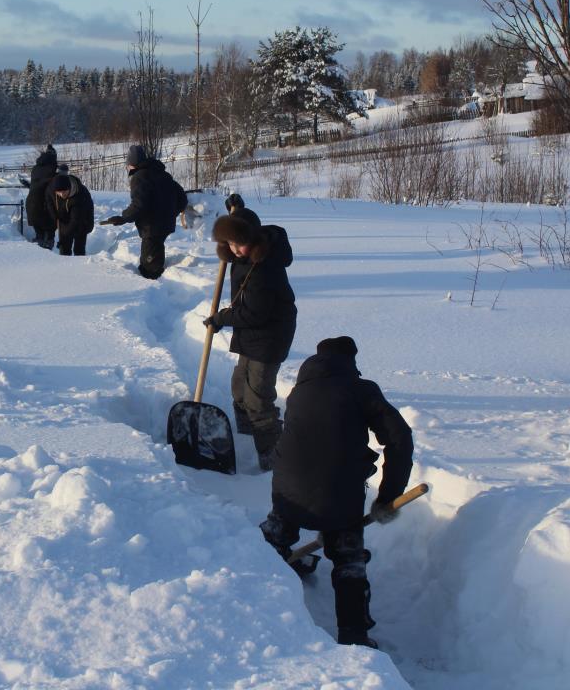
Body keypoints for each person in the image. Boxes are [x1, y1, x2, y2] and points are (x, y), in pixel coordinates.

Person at [259, 335, 414, 650]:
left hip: (287, 488)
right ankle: (354, 636)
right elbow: (399, 439)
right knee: (348, 560)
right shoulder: (361, 390)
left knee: (274, 538)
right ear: (351, 363)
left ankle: (254, 595)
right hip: (340, 495)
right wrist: (388, 496)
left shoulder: (298, 392)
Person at [204, 212, 297, 469]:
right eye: (229, 244)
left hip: (269, 336)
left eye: (239, 243)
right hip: (252, 334)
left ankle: (274, 456)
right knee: (239, 386)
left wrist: (221, 318)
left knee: (258, 398)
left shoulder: (264, 268)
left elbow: (254, 312)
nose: (234, 250)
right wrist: (237, 209)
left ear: (253, 238)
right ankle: (246, 434)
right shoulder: (247, 253)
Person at [102, 144, 188, 279]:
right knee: (156, 252)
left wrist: (123, 218)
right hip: (164, 225)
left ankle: (151, 289)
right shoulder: (163, 174)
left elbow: (139, 205)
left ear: (131, 164)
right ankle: (157, 281)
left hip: (152, 227)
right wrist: (170, 213)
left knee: (150, 265)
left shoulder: (139, 177)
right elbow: (182, 199)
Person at [26, 144, 58, 249]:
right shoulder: (52, 168)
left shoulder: (35, 168)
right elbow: (53, 185)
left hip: (31, 205)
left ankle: (37, 257)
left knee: (39, 236)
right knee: (49, 237)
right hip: (44, 206)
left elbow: (37, 184)